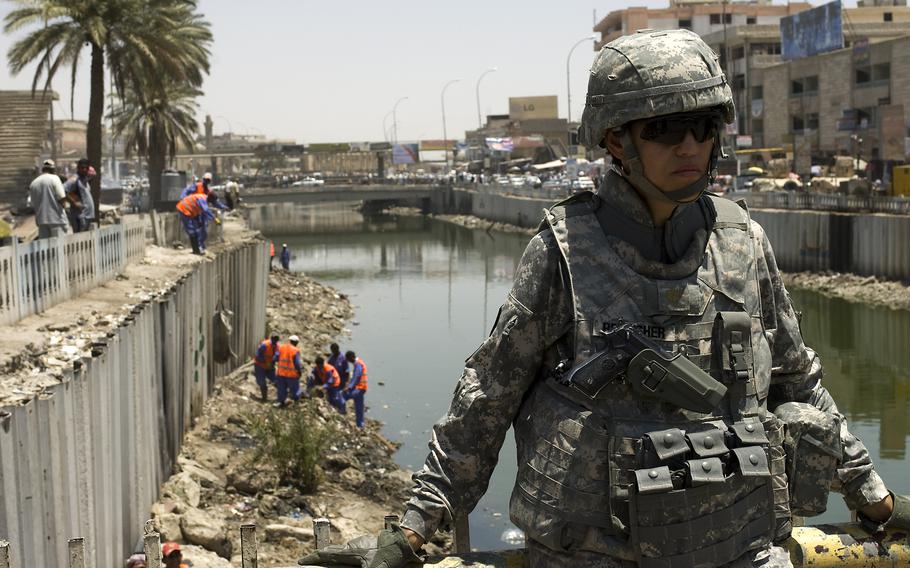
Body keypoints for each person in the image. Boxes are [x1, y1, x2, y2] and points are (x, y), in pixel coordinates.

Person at [301, 29, 909, 568]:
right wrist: (413, 529)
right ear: (617, 141)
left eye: (704, 126)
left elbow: (799, 383)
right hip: (595, 553)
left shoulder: (743, 242)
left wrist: (874, 499)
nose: (689, 145)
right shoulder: (564, 251)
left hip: (740, 545)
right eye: (664, 129)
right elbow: (488, 398)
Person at [29, 159, 70, 239]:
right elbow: (62, 198)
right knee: (59, 247)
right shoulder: (55, 178)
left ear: (43, 169)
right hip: (57, 220)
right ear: (53, 169)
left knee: (46, 248)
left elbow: (33, 204)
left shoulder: (33, 183)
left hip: (41, 221)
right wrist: (66, 207)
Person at [64, 158, 96, 233]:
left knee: (85, 240)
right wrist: (74, 203)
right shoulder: (75, 178)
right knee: (80, 240)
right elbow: (63, 190)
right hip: (81, 216)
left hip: (87, 215)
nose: (84, 169)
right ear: (78, 167)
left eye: (86, 168)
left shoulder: (84, 179)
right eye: (82, 167)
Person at [273, 334, 303, 407]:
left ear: (289, 341)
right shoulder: (295, 350)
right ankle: (296, 403)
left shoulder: (281, 347)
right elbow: (297, 363)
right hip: (291, 375)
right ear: (296, 343)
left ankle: (281, 402)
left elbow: (275, 358)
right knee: (295, 389)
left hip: (281, 373)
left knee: (281, 389)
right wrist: (299, 371)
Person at [342, 350, 368, 429]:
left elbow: (356, 377)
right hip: (362, 388)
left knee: (343, 396)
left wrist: (349, 387)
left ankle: (341, 412)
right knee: (359, 407)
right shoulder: (359, 362)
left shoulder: (358, 364)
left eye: (348, 359)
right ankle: (360, 425)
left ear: (352, 357)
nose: (349, 361)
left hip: (358, 388)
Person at [253, 333, 280, 402]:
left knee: (276, 380)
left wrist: (274, 359)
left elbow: (277, 355)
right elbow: (258, 356)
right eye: (274, 339)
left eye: (276, 340)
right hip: (260, 366)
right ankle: (264, 398)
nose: (275, 341)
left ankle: (282, 397)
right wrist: (265, 361)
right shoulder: (264, 345)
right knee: (261, 382)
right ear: (271, 339)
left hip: (270, 367)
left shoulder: (277, 346)